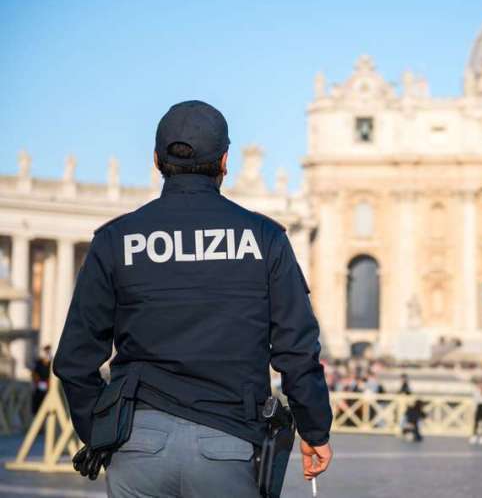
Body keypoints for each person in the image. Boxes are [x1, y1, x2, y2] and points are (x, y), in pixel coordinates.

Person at [52, 100, 333, 497]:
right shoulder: (265, 238)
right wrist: (315, 427)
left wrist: (103, 431)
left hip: (137, 442)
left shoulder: (115, 240)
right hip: (228, 439)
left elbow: (73, 359)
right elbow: (296, 348)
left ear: (156, 159)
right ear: (224, 162)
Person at [31, 345, 52, 414]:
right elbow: (34, 374)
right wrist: (37, 381)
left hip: (48, 388)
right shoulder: (39, 362)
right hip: (39, 387)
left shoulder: (51, 363)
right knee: (37, 404)